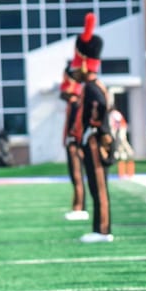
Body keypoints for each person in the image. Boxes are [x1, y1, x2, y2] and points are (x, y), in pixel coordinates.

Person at [70, 13, 114, 243]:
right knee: (96, 188)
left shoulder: (93, 88)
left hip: (96, 141)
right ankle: (99, 228)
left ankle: (103, 230)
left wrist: (91, 130)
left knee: (99, 188)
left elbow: (98, 111)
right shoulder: (91, 85)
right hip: (92, 141)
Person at [60, 63, 88, 221]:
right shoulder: (73, 102)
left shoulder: (78, 101)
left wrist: (75, 142)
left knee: (77, 176)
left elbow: (78, 125)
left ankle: (79, 207)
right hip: (72, 142)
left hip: (76, 143)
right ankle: (77, 206)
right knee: (74, 176)